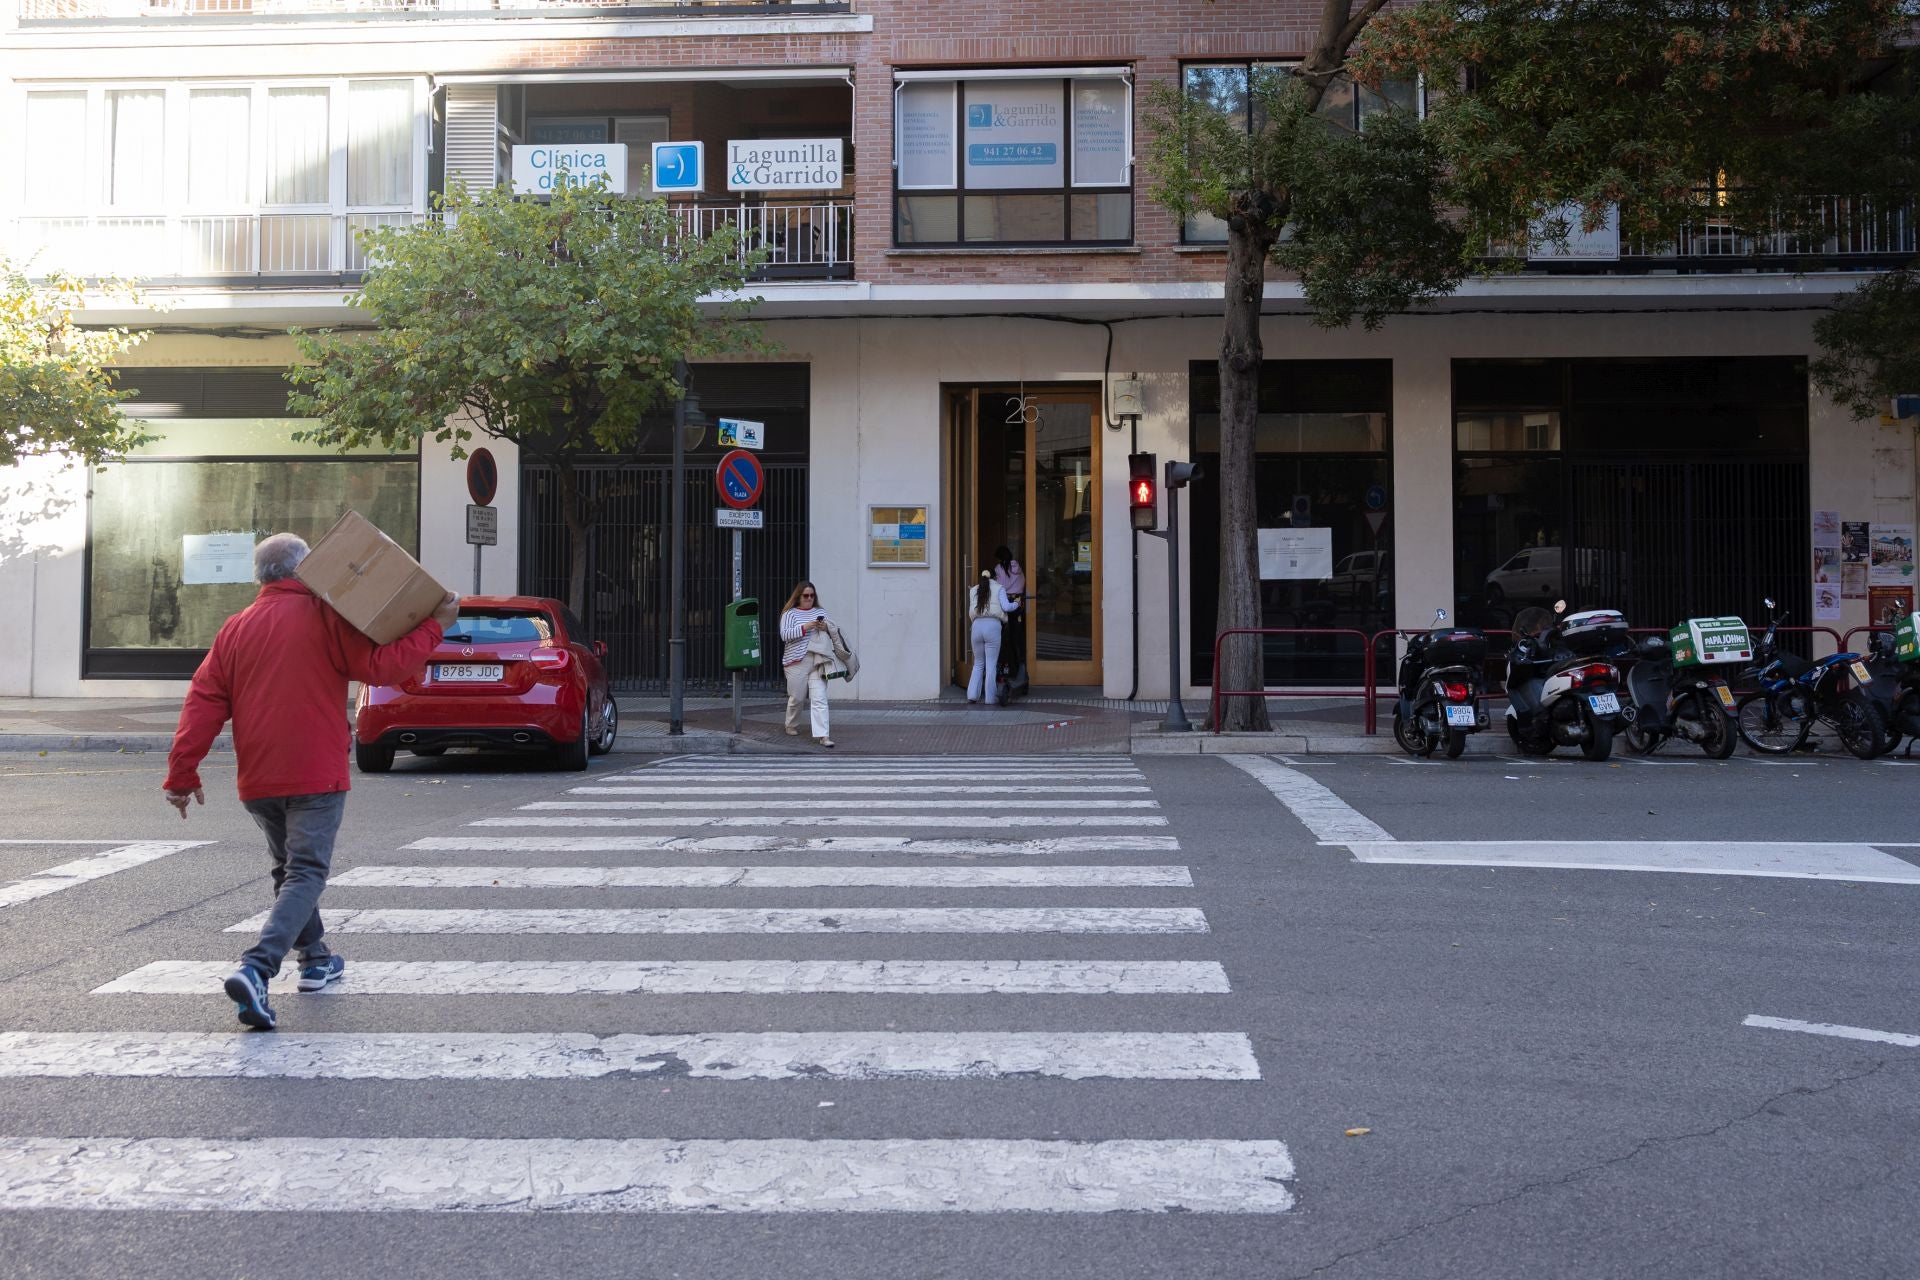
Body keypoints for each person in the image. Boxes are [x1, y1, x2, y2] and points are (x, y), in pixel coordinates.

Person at [162, 532, 458, 1031]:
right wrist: (435, 628)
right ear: (305, 572)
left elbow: (203, 702)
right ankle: (257, 968)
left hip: (258, 778)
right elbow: (382, 667)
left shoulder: (234, 629)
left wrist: (182, 774)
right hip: (315, 772)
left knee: (288, 871)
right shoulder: (326, 617)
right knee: (305, 873)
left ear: (261, 577)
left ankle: (316, 959)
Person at [779, 580, 834, 747]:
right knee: (797, 697)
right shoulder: (790, 614)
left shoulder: (821, 612)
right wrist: (806, 627)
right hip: (796, 661)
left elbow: (832, 631)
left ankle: (823, 735)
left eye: (812, 595)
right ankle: (791, 724)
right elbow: (785, 635)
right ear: (798, 596)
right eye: (806, 595)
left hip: (818, 660)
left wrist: (825, 627)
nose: (809, 598)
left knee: (820, 698)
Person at [966, 570, 1014, 706]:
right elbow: (1006, 607)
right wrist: (1016, 604)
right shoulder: (999, 588)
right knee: (991, 663)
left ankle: (972, 695)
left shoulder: (974, 589)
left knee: (978, 663)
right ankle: (989, 698)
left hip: (976, 626)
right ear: (995, 577)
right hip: (992, 626)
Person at [991, 545, 1027, 691]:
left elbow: (999, 586)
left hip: (1004, 602)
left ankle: (1004, 668)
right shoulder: (1018, 567)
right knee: (1017, 636)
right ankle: (1020, 667)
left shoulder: (998, 568)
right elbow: (1023, 582)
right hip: (1018, 603)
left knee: (1003, 636)